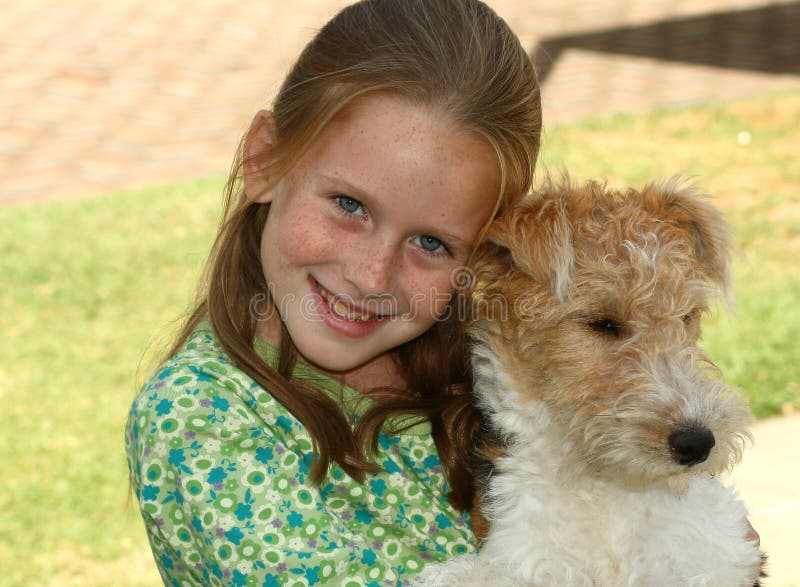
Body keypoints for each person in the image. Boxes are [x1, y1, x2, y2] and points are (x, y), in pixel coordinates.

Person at [125, 0, 542, 584]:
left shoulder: (502, 380)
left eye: (431, 242)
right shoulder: (198, 418)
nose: (372, 277)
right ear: (266, 158)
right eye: (350, 206)